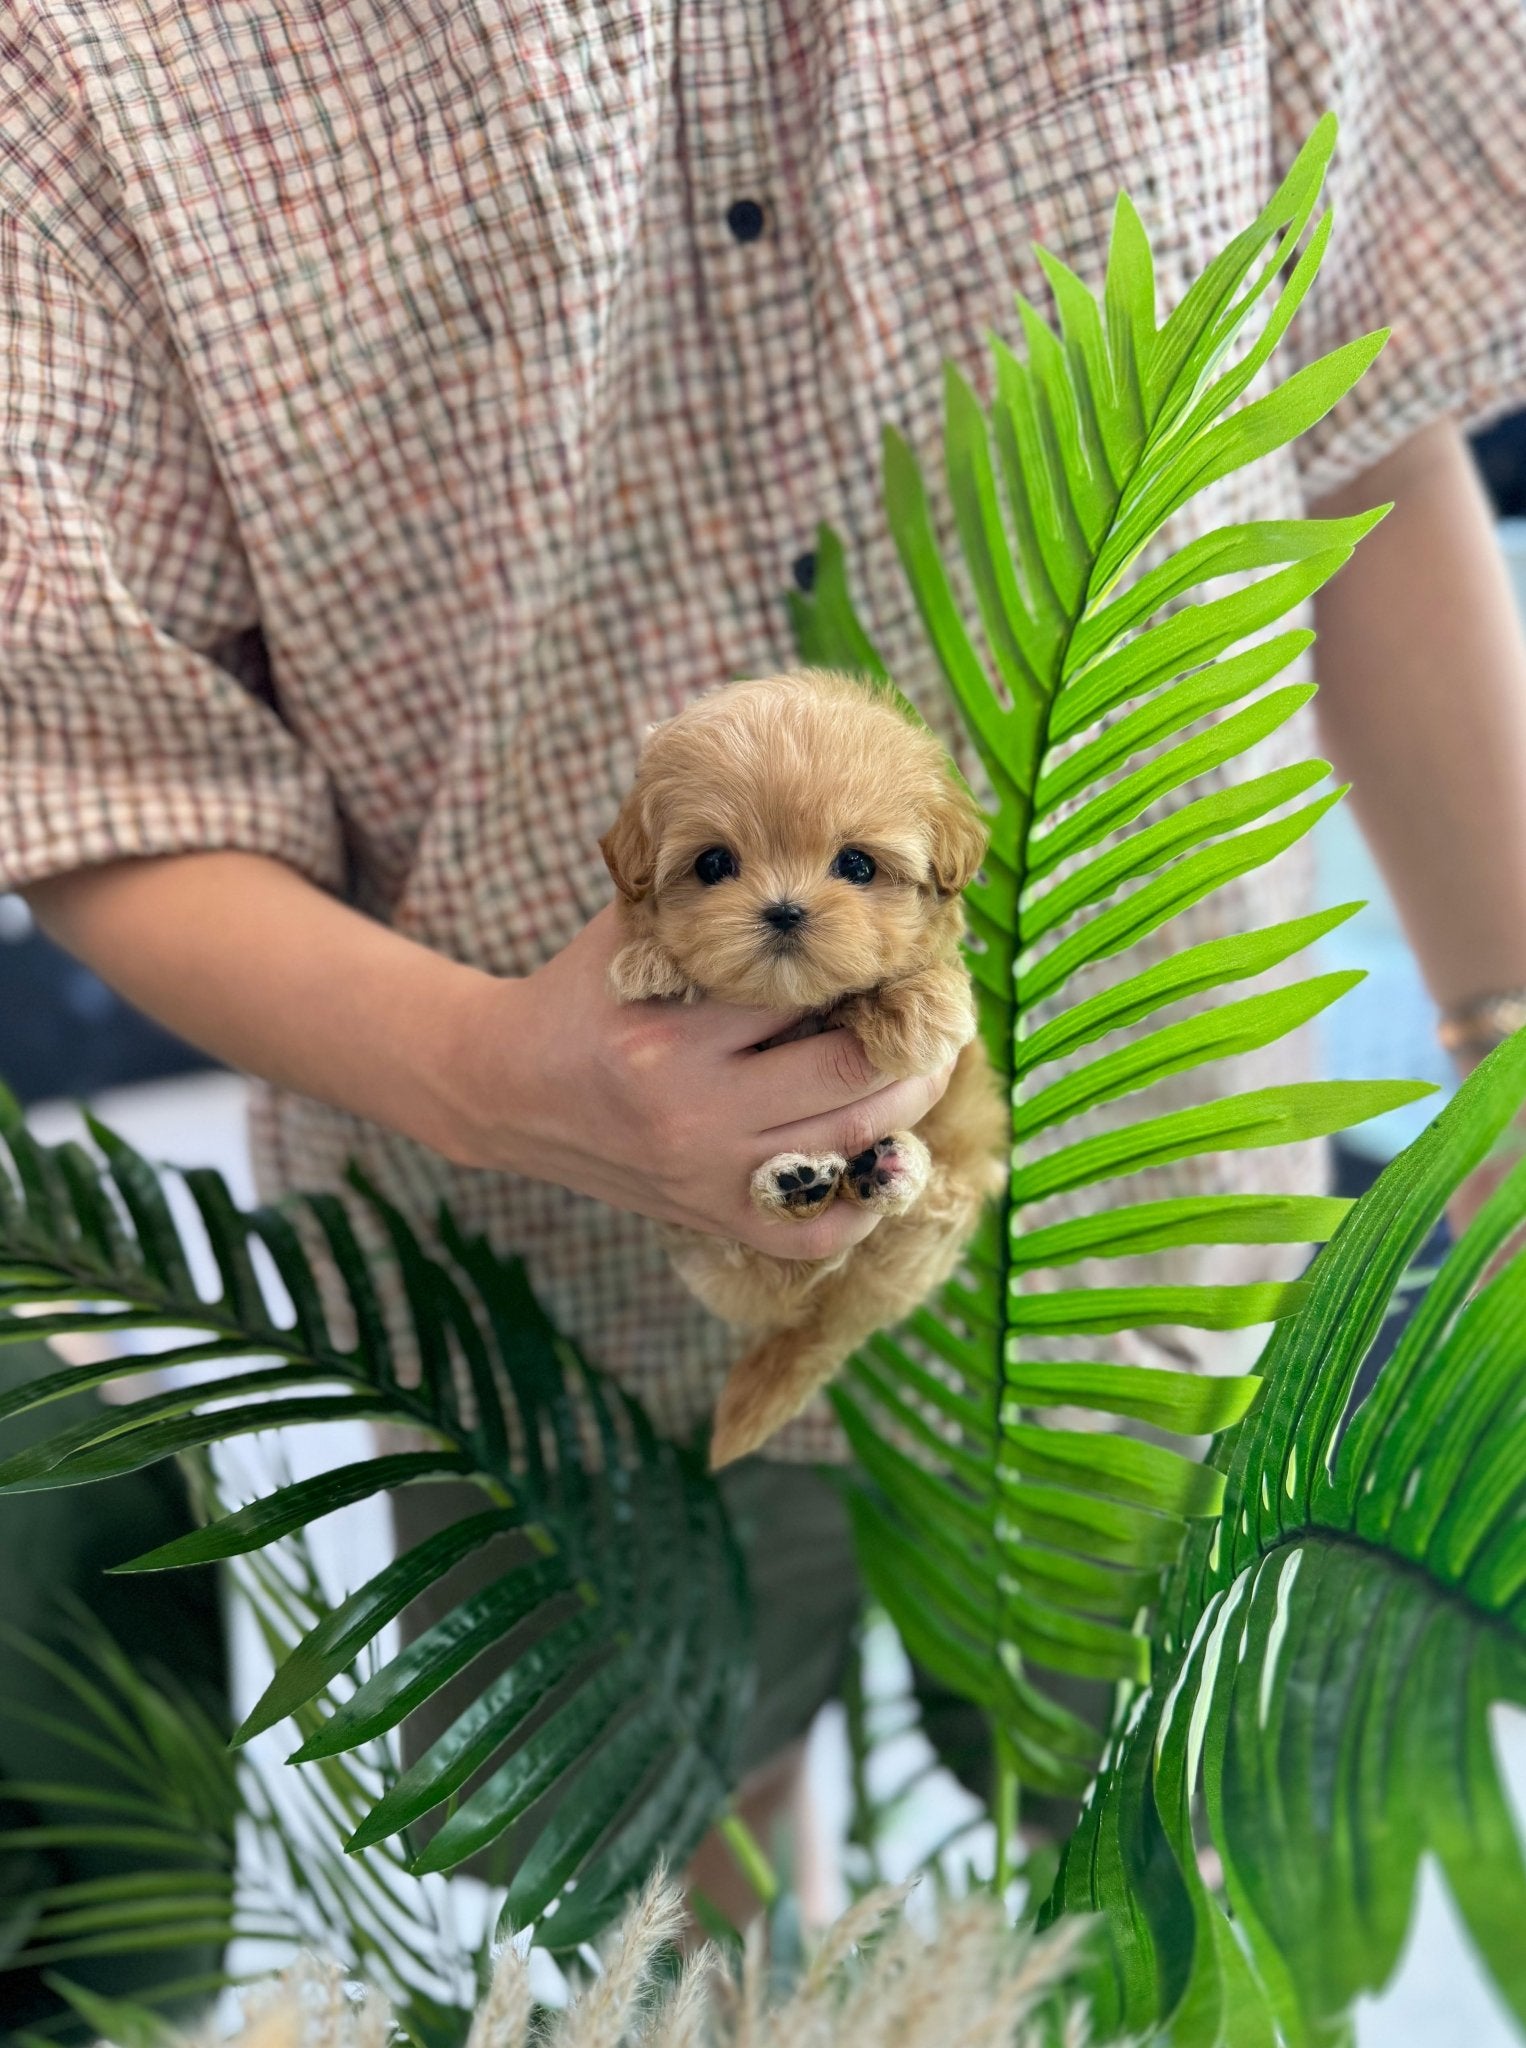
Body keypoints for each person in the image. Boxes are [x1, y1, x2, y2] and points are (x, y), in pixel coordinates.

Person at [4, 1, 1526, 1925]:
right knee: (697, 1950)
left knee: (1168, 1894)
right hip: (545, 1287)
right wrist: (497, 1071)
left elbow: (1347, 404)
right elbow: (92, 751)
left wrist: (1501, 1025)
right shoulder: (91, 47)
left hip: (1146, 1194)